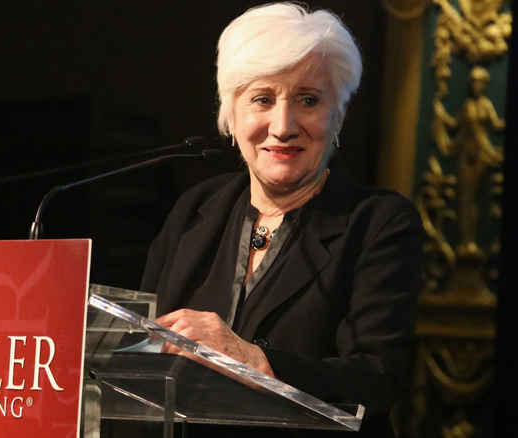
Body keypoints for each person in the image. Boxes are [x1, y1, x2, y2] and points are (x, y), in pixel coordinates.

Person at [141, 3, 423, 437]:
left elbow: (378, 379)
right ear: (231, 115)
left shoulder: (379, 223)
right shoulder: (194, 209)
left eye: (308, 100)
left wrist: (252, 359)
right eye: (262, 99)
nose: (283, 125)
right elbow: (141, 348)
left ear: (339, 115)